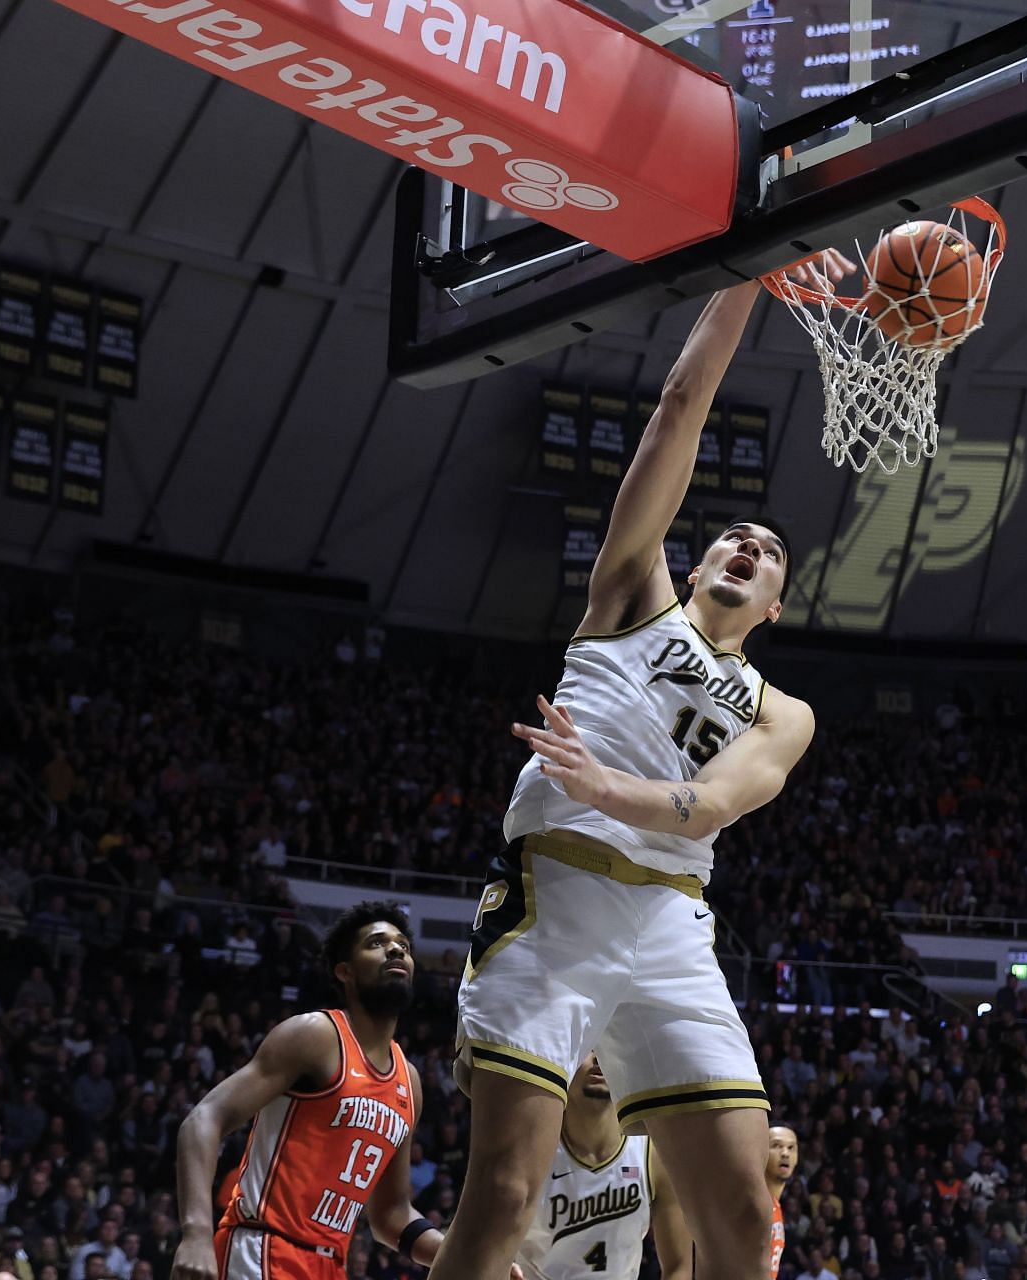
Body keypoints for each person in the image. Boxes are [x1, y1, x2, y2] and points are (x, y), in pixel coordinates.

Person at [437, 266, 850, 1280]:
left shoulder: (781, 711)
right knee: (499, 1196)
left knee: (745, 1215)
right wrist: (754, 270)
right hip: (555, 901)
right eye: (733, 534)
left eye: (768, 553)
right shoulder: (633, 591)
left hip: (669, 921)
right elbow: (681, 402)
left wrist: (607, 785)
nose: (747, 545)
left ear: (776, 607)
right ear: (700, 557)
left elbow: (712, 802)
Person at [171, 903, 470, 1280]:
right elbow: (204, 1119)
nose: (396, 950)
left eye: (404, 946)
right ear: (344, 971)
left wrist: (469, 1260)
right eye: (377, 943)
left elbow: (391, 1216)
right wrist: (195, 1233)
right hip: (263, 1249)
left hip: (330, 1265)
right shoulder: (316, 1036)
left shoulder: (409, 1082)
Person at [516, 1056, 692, 1280]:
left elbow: (679, 1268)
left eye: (606, 1047)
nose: (598, 1056)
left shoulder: (655, 1153)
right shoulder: (528, 1153)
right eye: (588, 1046)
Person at [764, 1127, 798, 1280]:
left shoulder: (776, 1206)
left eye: (791, 1148)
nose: (785, 1153)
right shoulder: (750, 1203)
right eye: (776, 1145)